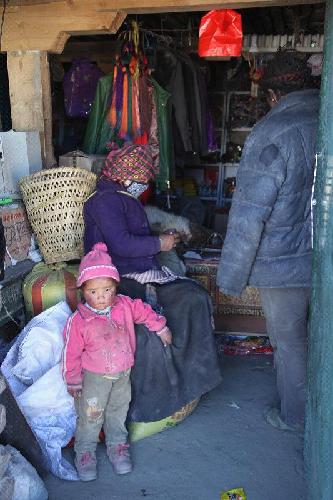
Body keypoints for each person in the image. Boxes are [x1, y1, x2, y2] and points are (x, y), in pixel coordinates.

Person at [83, 142, 222, 429]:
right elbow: (120, 244)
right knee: (164, 317)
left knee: (194, 298)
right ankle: (165, 392)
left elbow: (134, 237)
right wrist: (160, 242)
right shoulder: (104, 201)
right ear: (126, 174)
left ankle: (195, 380)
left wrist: (163, 238)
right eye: (141, 178)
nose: (143, 184)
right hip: (120, 279)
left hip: (142, 272)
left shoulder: (123, 198)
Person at [217, 50, 319, 431]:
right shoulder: (325, 121)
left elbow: (248, 215)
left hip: (284, 265)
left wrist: (230, 280)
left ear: (273, 96)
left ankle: (295, 418)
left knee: (291, 344)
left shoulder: (271, 132)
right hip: (323, 260)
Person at [62, 242, 172, 482]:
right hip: (94, 378)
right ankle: (85, 452)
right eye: (93, 292)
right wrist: (72, 380)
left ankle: (117, 446)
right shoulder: (79, 320)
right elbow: (70, 353)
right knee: (91, 416)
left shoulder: (124, 305)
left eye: (107, 290)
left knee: (117, 412)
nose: (101, 297)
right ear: (83, 290)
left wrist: (160, 327)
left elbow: (144, 312)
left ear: (115, 287)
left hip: (122, 374)